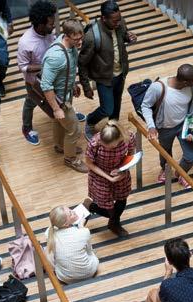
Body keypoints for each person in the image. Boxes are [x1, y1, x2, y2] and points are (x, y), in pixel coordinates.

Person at [79, 0, 137, 141]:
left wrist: (129, 38)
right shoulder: (92, 36)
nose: (118, 23)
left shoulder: (120, 23)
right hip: (104, 78)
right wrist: (86, 86)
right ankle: (91, 121)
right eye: (114, 21)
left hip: (120, 74)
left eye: (119, 19)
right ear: (103, 18)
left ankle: (113, 126)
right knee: (107, 108)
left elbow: (123, 37)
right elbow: (82, 63)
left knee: (116, 104)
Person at [141, 64, 193, 189]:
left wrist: (192, 128)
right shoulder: (158, 87)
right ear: (185, 82)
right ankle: (164, 169)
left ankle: (181, 174)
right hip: (164, 128)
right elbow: (145, 106)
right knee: (165, 154)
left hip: (183, 125)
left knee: (191, 157)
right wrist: (151, 126)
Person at [40, 19, 88, 173]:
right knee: (74, 129)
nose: (80, 41)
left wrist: (72, 84)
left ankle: (61, 145)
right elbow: (46, 85)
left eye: (81, 37)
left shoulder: (71, 46)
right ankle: (70, 159)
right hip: (59, 100)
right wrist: (55, 108)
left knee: (59, 123)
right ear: (66, 36)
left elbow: (68, 69)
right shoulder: (56, 57)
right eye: (76, 39)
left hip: (65, 94)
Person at [84, 120, 135, 237]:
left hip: (120, 172)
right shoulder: (94, 144)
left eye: (112, 146)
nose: (108, 148)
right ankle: (90, 206)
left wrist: (123, 169)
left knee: (122, 199)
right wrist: (109, 178)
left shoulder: (128, 137)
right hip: (100, 175)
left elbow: (131, 154)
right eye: (104, 145)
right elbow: (89, 163)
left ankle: (114, 223)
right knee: (107, 208)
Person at [17, 0, 57, 146]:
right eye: (50, 24)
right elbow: (22, 67)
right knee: (31, 102)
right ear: (40, 24)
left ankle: (68, 114)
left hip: (52, 76)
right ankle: (26, 128)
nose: (53, 26)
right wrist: (44, 65)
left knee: (58, 98)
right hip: (34, 82)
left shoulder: (48, 32)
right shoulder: (25, 42)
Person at [46, 205, 99, 284]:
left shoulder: (49, 235)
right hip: (89, 273)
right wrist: (81, 227)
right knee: (91, 252)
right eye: (70, 213)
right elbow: (89, 251)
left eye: (71, 210)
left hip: (65, 278)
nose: (74, 211)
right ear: (66, 224)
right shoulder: (84, 232)